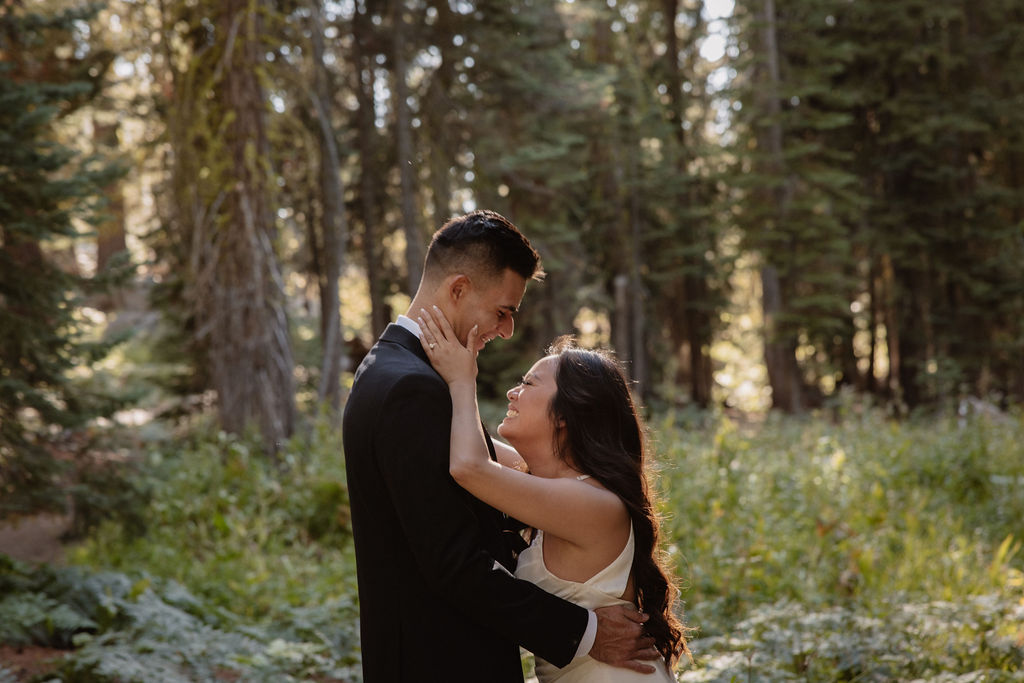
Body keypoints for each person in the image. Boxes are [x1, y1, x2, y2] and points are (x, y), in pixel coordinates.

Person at [341, 210, 659, 683]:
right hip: (442, 662)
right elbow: (454, 564)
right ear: (458, 289)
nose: (506, 330)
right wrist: (587, 632)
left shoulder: (387, 372)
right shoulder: (414, 390)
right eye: (503, 311)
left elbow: (481, 483)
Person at [416, 309, 692, 682]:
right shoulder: (549, 483)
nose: (513, 391)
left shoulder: (593, 504)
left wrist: (463, 380)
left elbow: (469, 466)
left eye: (528, 384)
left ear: (565, 414)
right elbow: (470, 446)